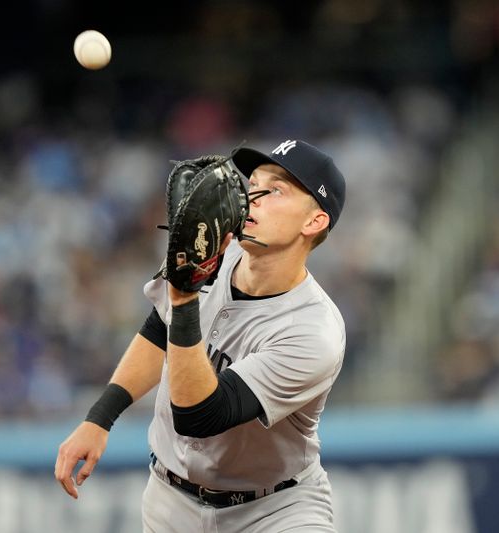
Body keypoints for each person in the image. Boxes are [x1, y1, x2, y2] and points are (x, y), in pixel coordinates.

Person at [55, 139, 347, 532]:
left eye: (275, 189)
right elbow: (161, 328)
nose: (252, 196)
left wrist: (185, 296)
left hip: (276, 510)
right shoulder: (211, 249)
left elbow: (200, 416)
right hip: (171, 503)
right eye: (253, 182)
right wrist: (100, 417)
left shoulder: (315, 331)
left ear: (314, 222)